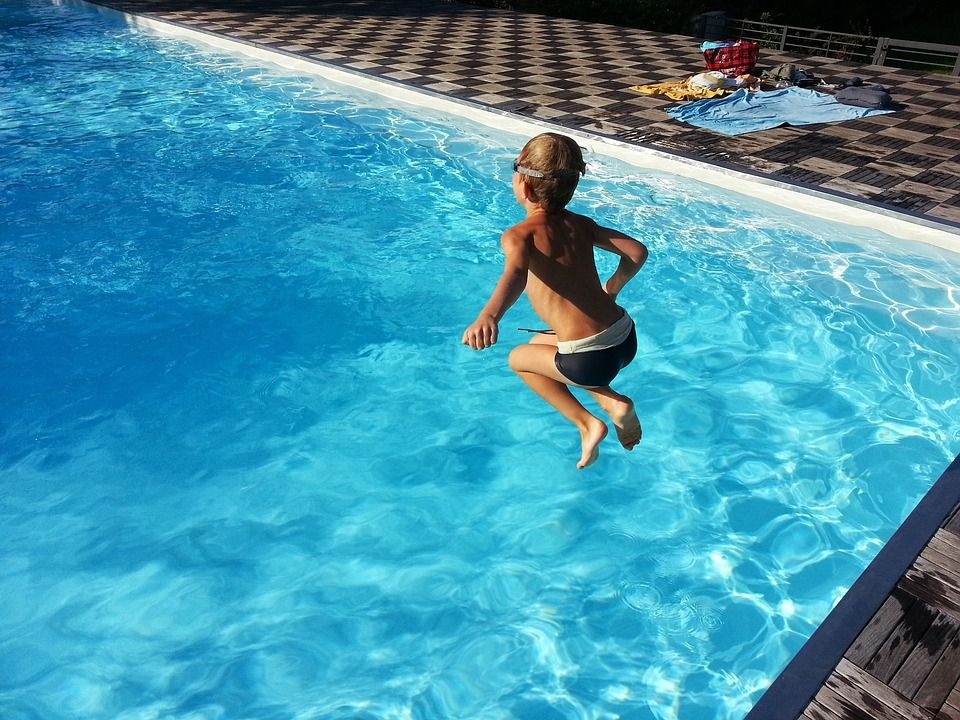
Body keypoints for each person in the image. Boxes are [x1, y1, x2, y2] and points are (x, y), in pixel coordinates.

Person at [462, 132, 648, 469]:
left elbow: (516, 275)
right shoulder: (581, 224)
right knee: (540, 342)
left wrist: (490, 315)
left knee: (519, 358)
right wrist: (613, 286)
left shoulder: (520, 235)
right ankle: (609, 403)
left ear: (526, 187)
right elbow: (637, 252)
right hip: (624, 336)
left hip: (590, 360)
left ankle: (588, 422)